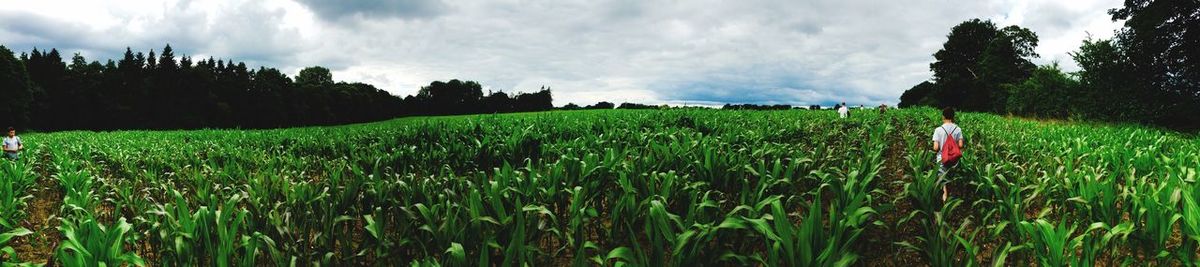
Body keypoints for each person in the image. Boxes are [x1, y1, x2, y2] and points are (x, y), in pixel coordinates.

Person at [932, 108, 963, 201]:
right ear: (953, 117)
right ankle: (952, 197)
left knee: (944, 180)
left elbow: (936, 148)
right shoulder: (958, 129)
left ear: (943, 116)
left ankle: (945, 196)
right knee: (952, 177)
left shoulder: (938, 130)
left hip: (942, 159)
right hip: (954, 159)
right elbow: (960, 145)